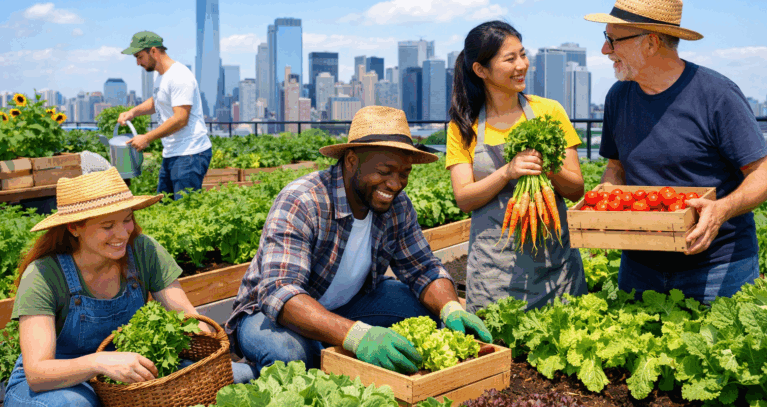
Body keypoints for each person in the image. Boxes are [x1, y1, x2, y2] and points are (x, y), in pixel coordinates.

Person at [224, 106, 493, 374]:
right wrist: (356, 336)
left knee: (428, 312)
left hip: (348, 304)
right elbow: (280, 292)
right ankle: (248, 376)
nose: (395, 183)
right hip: (268, 315)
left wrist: (450, 308)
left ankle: (325, 351)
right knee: (290, 355)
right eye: (385, 170)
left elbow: (423, 267)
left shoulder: (398, 206)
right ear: (351, 161)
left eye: (404, 174)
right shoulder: (303, 201)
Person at [585, 0, 767, 303]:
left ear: (650, 43)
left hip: (717, 267)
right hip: (639, 266)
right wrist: (605, 207)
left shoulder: (716, 95)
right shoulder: (618, 97)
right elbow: (615, 169)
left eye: (612, 40)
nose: (605, 50)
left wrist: (719, 211)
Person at [5, 168, 257, 407]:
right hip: (56, 386)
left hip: (128, 377)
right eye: (107, 226)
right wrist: (99, 362)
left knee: (240, 375)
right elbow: (38, 373)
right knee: (75, 403)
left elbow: (186, 314)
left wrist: (211, 345)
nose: (123, 234)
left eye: (127, 220)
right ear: (74, 228)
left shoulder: (143, 251)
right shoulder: (44, 275)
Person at [447, 21, 587, 313]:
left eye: (523, 55)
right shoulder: (463, 126)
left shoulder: (550, 111)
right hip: (494, 271)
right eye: (510, 59)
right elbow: (464, 198)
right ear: (480, 70)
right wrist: (507, 172)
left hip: (555, 268)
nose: (522, 65)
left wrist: (548, 166)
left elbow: (576, 190)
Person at [118, 31, 212, 200]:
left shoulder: (179, 76)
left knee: (185, 211)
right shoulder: (162, 76)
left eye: (139, 56)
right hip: (172, 152)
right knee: (165, 205)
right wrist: (133, 112)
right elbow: (157, 101)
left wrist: (146, 137)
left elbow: (180, 119)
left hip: (190, 154)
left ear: (153, 51)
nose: (138, 63)